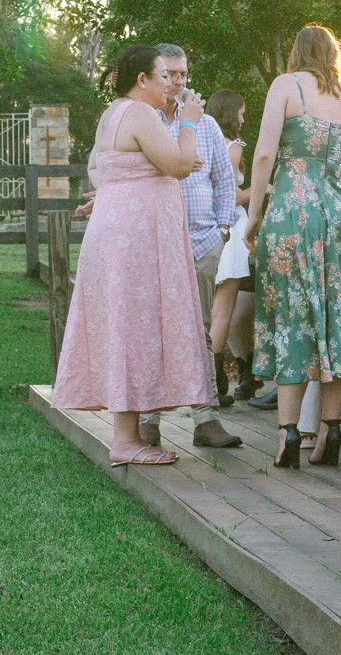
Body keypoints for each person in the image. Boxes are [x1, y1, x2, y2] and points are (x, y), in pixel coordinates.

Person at [51, 44, 216, 465]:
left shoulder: (113, 113)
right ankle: (125, 441)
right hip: (135, 240)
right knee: (132, 324)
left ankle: (131, 434)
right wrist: (189, 122)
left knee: (129, 324)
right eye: (163, 76)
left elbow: (106, 170)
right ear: (142, 80)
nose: (170, 84)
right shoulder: (140, 113)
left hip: (121, 233)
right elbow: (179, 166)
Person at [246, 24, 341, 469]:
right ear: (335, 57)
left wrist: (254, 214)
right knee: (336, 322)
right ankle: (332, 430)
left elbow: (264, 154)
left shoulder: (286, 86)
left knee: (292, 318)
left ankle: (289, 433)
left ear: (297, 54)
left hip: (292, 214)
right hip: (338, 221)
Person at [140, 45, 244, 449]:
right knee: (154, 331)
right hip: (156, 241)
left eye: (183, 74)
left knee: (200, 330)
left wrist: (222, 230)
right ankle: (148, 421)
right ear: (154, 76)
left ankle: (206, 419)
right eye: (170, 74)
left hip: (202, 241)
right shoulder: (144, 120)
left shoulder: (207, 125)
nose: (178, 81)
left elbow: (224, 179)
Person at [205, 88, 258, 398]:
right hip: (232, 225)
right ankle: (216, 382)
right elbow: (232, 195)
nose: (243, 118)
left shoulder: (204, 144)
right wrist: (262, 189)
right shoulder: (233, 147)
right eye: (241, 112)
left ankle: (211, 380)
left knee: (212, 307)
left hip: (208, 227)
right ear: (230, 113)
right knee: (223, 309)